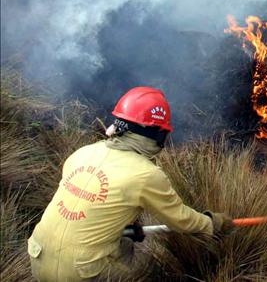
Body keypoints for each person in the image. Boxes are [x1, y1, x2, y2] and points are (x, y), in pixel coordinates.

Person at [28, 86, 233, 281]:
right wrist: (211, 223)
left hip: (37, 256)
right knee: (154, 267)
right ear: (158, 134)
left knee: (125, 245)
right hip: (82, 273)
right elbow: (181, 220)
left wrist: (123, 229)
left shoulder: (82, 153)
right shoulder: (146, 174)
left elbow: (88, 209)